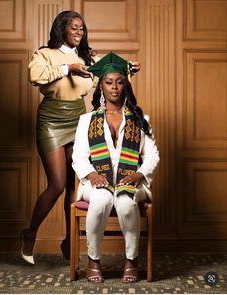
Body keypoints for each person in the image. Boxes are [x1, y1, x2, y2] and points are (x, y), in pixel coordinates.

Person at [20, 11, 141, 265]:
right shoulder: (45, 54)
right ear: (61, 29)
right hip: (51, 119)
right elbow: (35, 76)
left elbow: (110, 70)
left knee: (75, 188)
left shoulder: (86, 58)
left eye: (82, 29)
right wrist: (68, 68)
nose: (79, 32)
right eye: (74, 28)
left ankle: (69, 242)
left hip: (78, 118)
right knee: (57, 184)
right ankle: (30, 234)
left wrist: (128, 68)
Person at [72, 52, 160, 283]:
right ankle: (93, 259)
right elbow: (78, 157)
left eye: (120, 82)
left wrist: (139, 174)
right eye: (109, 82)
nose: (114, 87)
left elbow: (152, 155)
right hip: (96, 182)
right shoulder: (87, 120)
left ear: (126, 86)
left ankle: (131, 259)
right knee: (100, 199)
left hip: (131, 181)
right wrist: (91, 174)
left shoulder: (140, 119)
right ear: (100, 86)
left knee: (125, 201)